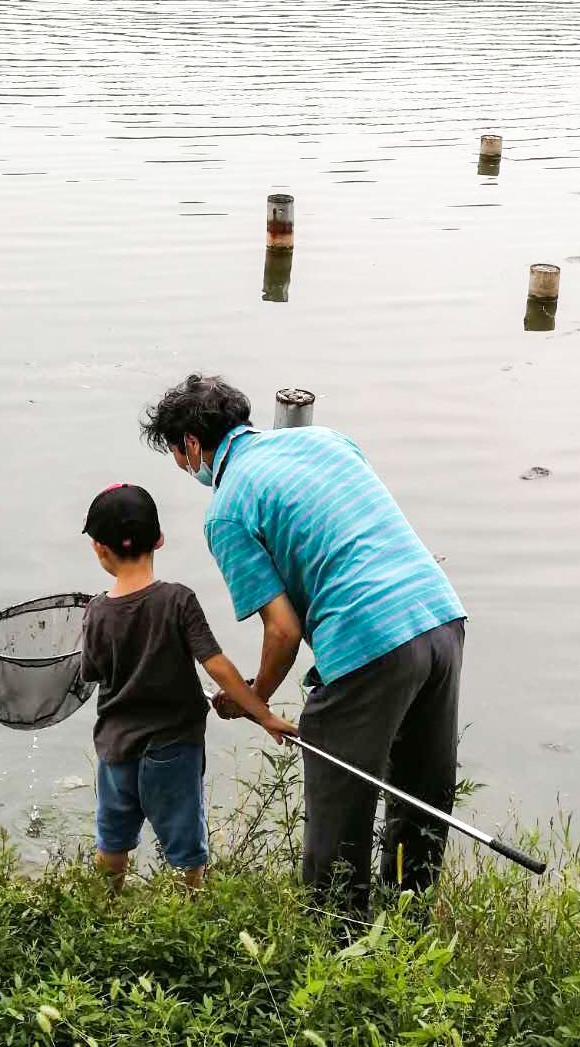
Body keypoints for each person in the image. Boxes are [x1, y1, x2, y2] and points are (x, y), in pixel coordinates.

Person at [140, 375, 467, 913]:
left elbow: (284, 630)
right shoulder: (326, 440)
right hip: (439, 614)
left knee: (338, 805)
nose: (183, 466)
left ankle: (334, 938)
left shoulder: (226, 510)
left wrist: (256, 696)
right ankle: (412, 922)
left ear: (192, 445)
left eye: (178, 455)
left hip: (367, 641)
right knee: (422, 793)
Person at [80, 482, 298, 891]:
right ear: (159, 539)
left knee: (112, 845)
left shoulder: (96, 612)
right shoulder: (178, 600)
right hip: (173, 752)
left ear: (99, 548)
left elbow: (93, 672)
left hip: (116, 752)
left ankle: (102, 911)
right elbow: (217, 665)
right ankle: (189, 915)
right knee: (185, 857)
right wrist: (262, 712)